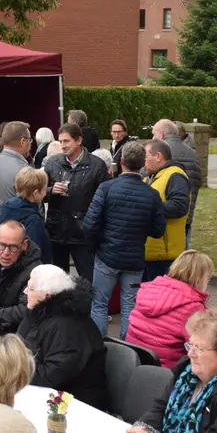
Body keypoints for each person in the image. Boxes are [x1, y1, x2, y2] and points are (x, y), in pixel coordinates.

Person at [83, 143, 166, 337]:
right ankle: (128, 345)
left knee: (99, 303)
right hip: (134, 259)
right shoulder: (151, 194)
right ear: (143, 163)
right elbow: (158, 230)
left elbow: (90, 224)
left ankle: (100, 343)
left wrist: (96, 246)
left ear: (121, 162)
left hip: (107, 256)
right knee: (129, 305)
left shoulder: (106, 188)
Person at [19, 265, 108, 407]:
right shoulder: (38, 312)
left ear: (47, 295)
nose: (25, 291)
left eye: (31, 288)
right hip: (46, 394)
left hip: (72, 405)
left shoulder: (68, 328)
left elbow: (50, 378)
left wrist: (12, 367)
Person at [42, 123, 109, 284]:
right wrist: (50, 190)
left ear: (79, 140)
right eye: (60, 141)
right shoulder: (53, 163)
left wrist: (93, 225)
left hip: (83, 233)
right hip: (57, 232)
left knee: (88, 281)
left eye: (66, 141)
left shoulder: (96, 165)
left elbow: (105, 199)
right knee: (57, 283)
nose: (62, 146)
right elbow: (38, 192)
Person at [126, 250, 213, 367]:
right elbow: (201, 348)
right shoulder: (193, 307)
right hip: (165, 370)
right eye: (208, 278)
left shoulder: (147, 290)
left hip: (133, 362)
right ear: (199, 279)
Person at [141, 139, 191, 281]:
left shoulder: (175, 176)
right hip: (150, 253)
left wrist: (148, 207)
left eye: (145, 157)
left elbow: (180, 206)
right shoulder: (150, 177)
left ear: (158, 156)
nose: (143, 162)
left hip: (165, 256)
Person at [0, 121, 33, 251]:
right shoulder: (24, 170)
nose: (31, 145)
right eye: (30, 140)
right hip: (13, 245)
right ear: (23, 142)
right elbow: (32, 210)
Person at [154, 120, 202, 246]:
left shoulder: (159, 154)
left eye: (154, 134)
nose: (152, 138)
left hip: (165, 212)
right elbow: (198, 180)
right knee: (184, 247)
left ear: (161, 134)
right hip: (187, 210)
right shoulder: (192, 153)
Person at [0, 166, 52, 263]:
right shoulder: (33, 219)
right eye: (44, 189)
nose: (45, 192)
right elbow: (34, 251)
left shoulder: (7, 206)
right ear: (36, 193)